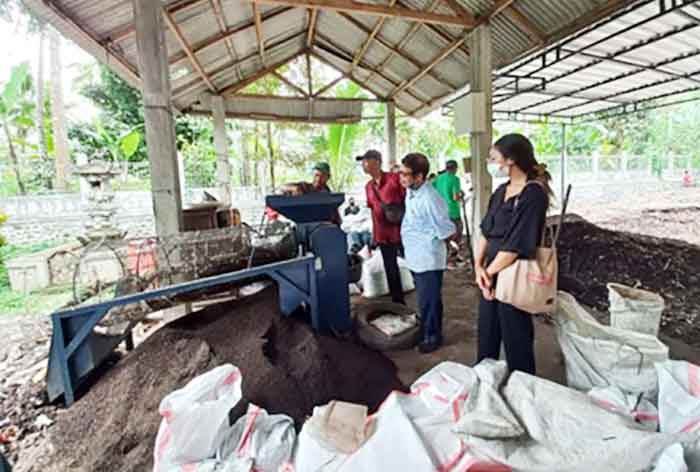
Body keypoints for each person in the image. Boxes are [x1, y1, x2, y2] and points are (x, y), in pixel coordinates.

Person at [475, 133, 552, 375]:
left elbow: (515, 246)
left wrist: (487, 273)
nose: (491, 163)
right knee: (487, 334)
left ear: (511, 160)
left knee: (516, 337)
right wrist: (478, 267)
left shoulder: (533, 194)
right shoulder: (500, 191)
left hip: (514, 274)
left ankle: (521, 389)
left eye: (493, 158)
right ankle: (485, 383)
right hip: (489, 272)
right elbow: (486, 231)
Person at [399, 153, 455, 353]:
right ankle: (428, 330)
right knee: (426, 299)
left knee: (428, 300)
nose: (402, 177)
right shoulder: (412, 191)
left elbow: (447, 229)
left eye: (406, 174)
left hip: (428, 257)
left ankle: (432, 337)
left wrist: (430, 237)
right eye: (401, 173)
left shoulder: (431, 198)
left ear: (420, 177)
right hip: (415, 254)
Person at [357, 149, 406, 304]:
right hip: (384, 234)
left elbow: (409, 200)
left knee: (415, 264)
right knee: (390, 268)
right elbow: (373, 210)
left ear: (377, 162)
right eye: (362, 162)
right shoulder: (368, 187)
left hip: (402, 231)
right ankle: (398, 303)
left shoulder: (394, 179)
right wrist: (376, 234)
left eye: (366, 161)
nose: (363, 164)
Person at [433, 160, 465, 266]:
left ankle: (445, 258)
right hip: (453, 212)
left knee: (445, 235)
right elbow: (456, 197)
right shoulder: (455, 179)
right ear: (455, 168)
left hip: (441, 212)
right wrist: (461, 194)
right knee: (457, 234)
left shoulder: (438, 178)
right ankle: (452, 258)